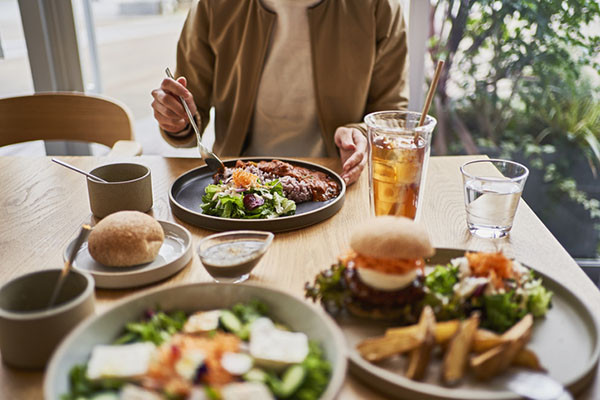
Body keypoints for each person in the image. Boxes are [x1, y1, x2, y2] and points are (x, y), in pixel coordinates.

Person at [151, 0, 408, 185]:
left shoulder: (379, 8)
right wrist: (178, 120)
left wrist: (361, 133)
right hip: (235, 180)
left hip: (338, 180)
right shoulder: (213, 6)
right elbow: (189, 110)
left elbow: (391, 114)